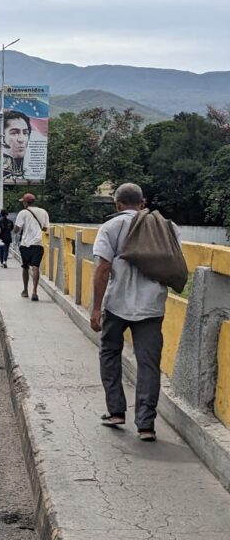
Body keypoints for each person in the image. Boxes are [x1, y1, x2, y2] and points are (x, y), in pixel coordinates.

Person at [90, 183, 177, 442]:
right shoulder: (167, 226)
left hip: (117, 304)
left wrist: (96, 308)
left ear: (117, 204)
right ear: (143, 203)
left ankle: (116, 411)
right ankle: (146, 425)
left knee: (109, 354)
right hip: (152, 306)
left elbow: (103, 268)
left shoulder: (111, 227)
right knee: (148, 364)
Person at [12, 193, 49, 301]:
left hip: (25, 244)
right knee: (36, 267)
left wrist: (16, 231)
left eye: (23, 202)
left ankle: (25, 290)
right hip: (38, 244)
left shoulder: (23, 213)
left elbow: (16, 229)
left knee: (25, 267)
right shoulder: (43, 212)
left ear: (25, 203)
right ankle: (35, 291)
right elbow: (45, 229)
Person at [3, 110, 31, 178]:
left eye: (25, 133)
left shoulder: (32, 169)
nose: (21, 139)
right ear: (3, 137)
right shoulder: (3, 168)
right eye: (14, 133)